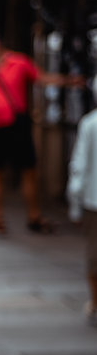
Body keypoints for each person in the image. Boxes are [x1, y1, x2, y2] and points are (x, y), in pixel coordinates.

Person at [0, 30, 79, 236]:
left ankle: (34, 215)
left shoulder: (19, 62)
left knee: (29, 170)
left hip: (17, 125)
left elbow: (42, 78)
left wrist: (68, 81)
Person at [67, 100, 97, 323]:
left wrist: (74, 205)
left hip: (92, 200)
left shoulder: (89, 124)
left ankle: (95, 302)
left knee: (94, 253)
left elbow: (79, 165)